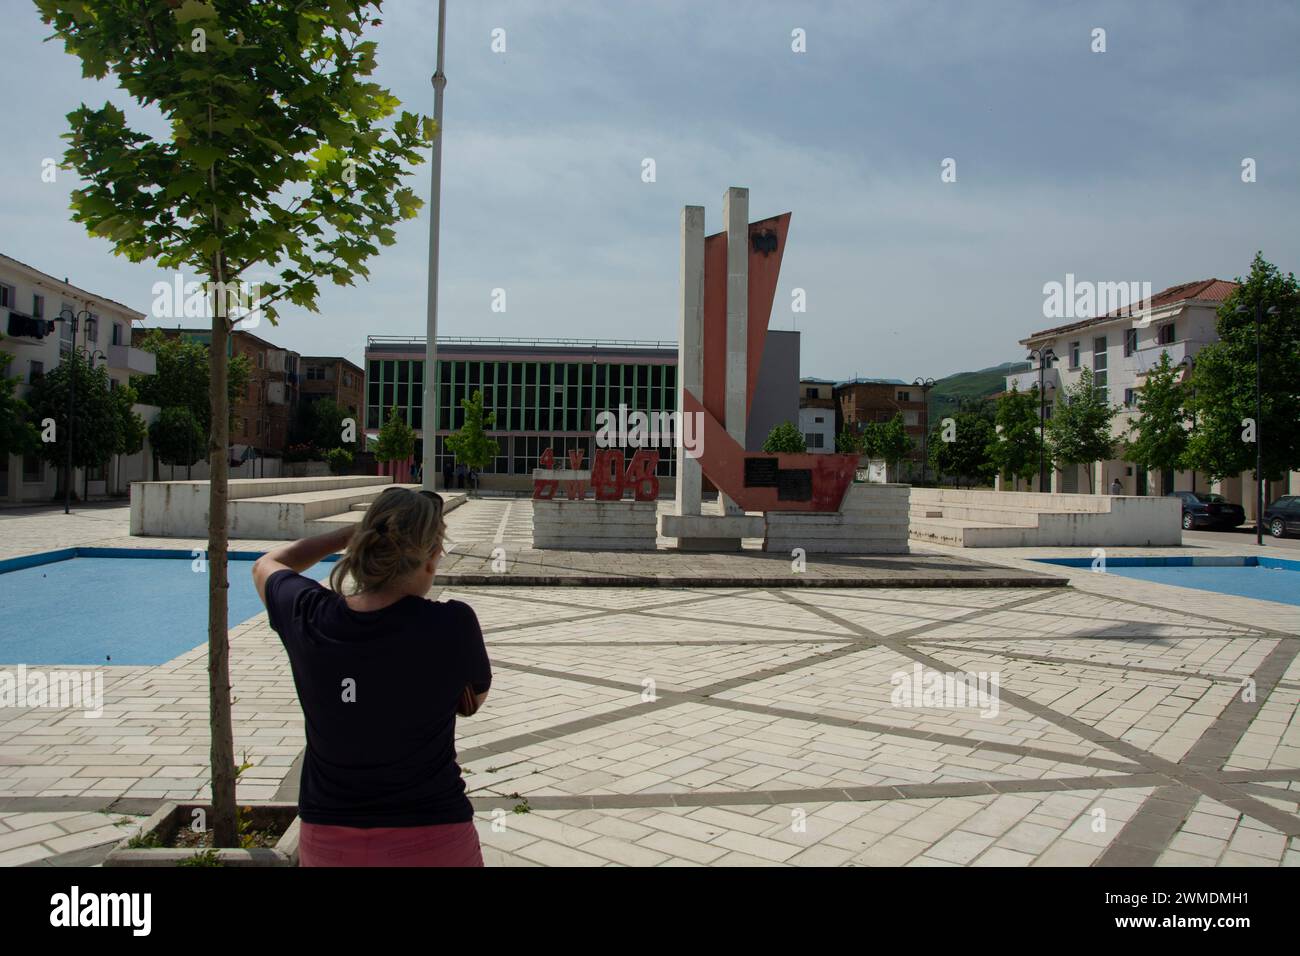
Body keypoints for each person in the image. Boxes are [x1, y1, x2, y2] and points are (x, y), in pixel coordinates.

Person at [252, 487, 491, 867]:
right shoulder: (453, 624)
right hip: (432, 836)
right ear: (430, 559)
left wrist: (347, 535)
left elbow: (268, 563)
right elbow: (470, 703)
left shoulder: (309, 615)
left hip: (330, 840)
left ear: (361, 546)